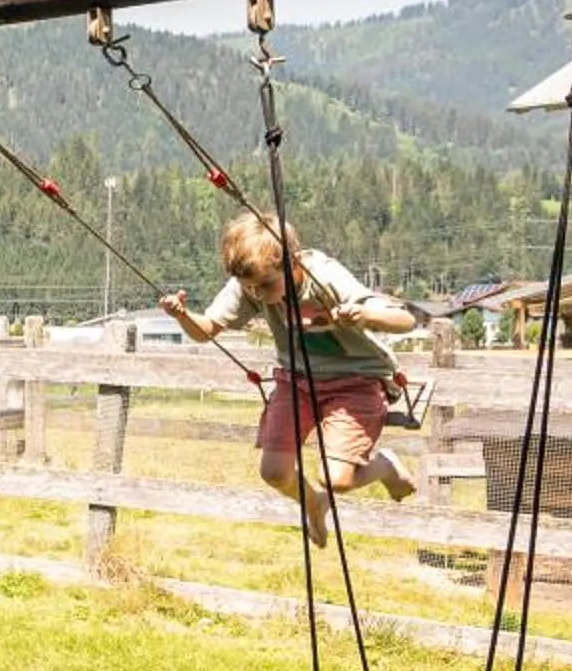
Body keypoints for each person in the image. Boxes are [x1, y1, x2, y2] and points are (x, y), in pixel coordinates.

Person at [160, 209, 419, 546]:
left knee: (337, 479)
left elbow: (405, 320)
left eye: (266, 285)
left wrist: (365, 314)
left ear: (293, 262)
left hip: (356, 378)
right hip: (295, 379)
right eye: (249, 287)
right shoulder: (252, 280)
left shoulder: (324, 276)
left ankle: (384, 466)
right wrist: (182, 316)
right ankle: (314, 504)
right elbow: (207, 329)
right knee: (274, 472)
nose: (257, 294)